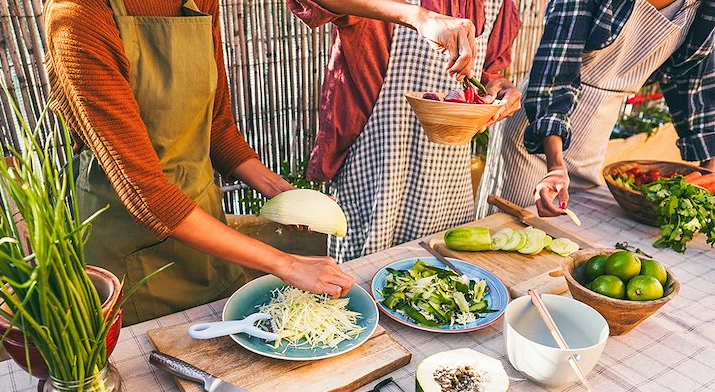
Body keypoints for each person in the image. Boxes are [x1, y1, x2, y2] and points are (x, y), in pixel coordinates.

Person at [43, 0, 354, 326]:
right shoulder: (78, 15)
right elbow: (144, 192)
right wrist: (286, 264)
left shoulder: (199, 2)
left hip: (207, 231)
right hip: (131, 247)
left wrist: (283, 194)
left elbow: (216, 127)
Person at [288, 0, 522, 262]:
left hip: (450, 183)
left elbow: (491, 74)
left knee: (441, 286)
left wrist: (501, 90)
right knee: (366, 282)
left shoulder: (496, 4)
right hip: (378, 173)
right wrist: (419, 17)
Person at [477, 0, 715, 218]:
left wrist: (710, 167)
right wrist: (556, 166)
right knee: (508, 231)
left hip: (596, 134)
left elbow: (694, 81)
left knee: (566, 242)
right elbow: (555, 73)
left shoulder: (703, 6)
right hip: (539, 130)